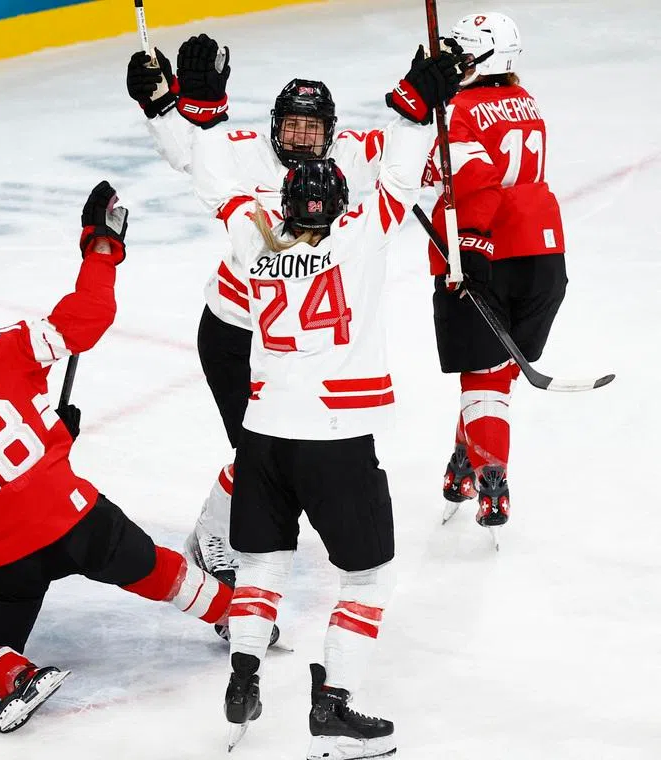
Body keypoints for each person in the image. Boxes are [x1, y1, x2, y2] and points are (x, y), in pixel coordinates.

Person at [0, 182, 234, 733]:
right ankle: (233, 615)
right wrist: (100, 247)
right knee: (154, 568)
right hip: (74, 514)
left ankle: (22, 678)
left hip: (4, 554)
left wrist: (48, 440)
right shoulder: (3, 348)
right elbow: (89, 316)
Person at [217, 47, 461, 757]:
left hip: (262, 432)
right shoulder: (365, 233)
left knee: (262, 566)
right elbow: (399, 171)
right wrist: (414, 103)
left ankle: (244, 670)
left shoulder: (250, 237)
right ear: (343, 203)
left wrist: (194, 117)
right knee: (366, 576)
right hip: (337, 434)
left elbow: (221, 187)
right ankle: (333, 707)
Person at [124, 36, 385, 584]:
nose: (300, 136)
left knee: (287, 447)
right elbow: (189, 153)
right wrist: (160, 106)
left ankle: (224, 530)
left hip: (310, 347)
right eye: (291, 125)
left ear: (331, 131)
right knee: (256, 450)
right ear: (274, 125)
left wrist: (433, 111)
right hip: (234, 332)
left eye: (312, 128)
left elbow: (411, 159)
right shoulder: (246, 151)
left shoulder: (352, 161)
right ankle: (212, 534)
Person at [426, 12, 567, 533]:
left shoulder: (458, 109)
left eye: (458, 53)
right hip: (545, 250)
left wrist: (470, 246)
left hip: (485, 250)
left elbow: (475, 181)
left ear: (479, 58)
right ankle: (463, 461)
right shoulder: (526, 102)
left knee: (483, 374)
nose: (450, 62)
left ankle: (491, 480)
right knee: (501, 372)